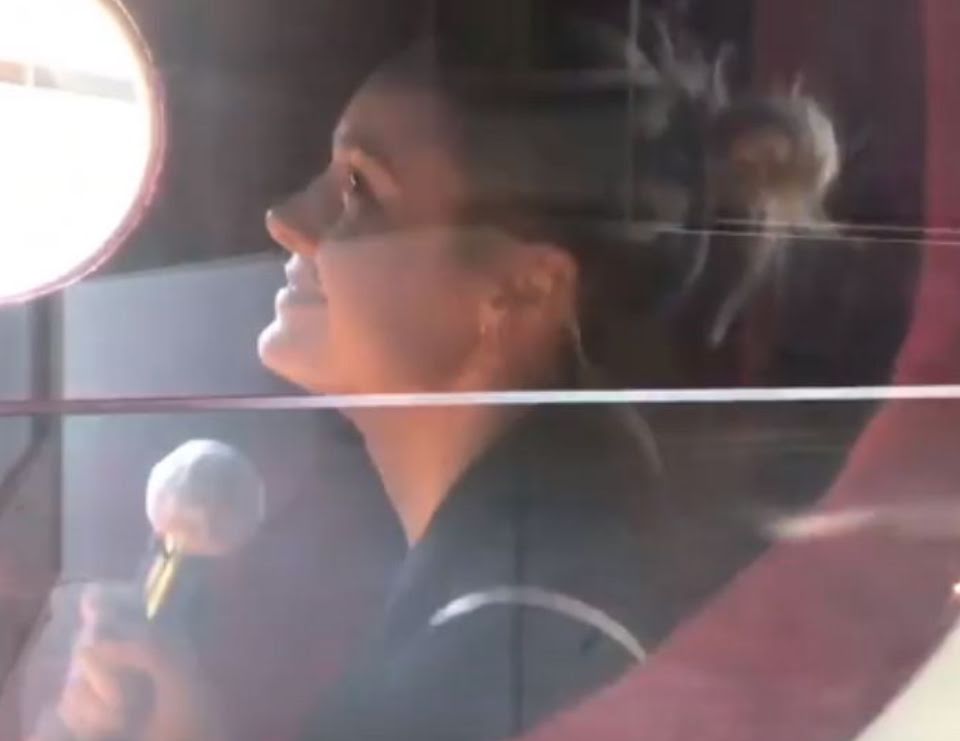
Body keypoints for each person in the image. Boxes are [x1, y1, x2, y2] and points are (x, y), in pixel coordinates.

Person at [35, 15, 837, 741]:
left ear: (524, 288)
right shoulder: (526, 583)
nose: (287, 218)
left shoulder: (519, 645)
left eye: (360, 187)